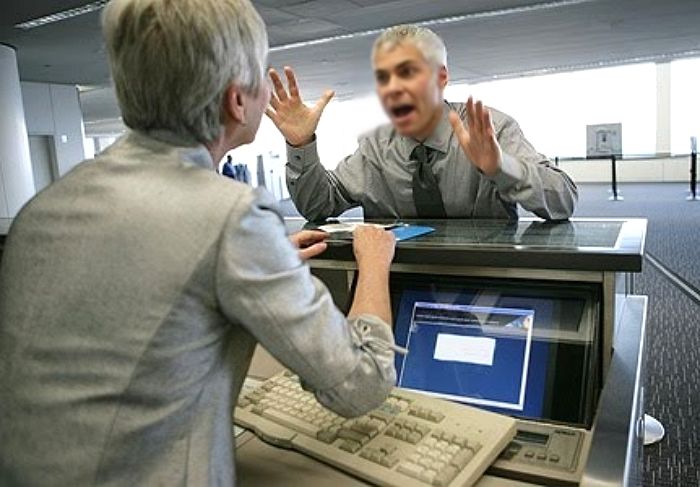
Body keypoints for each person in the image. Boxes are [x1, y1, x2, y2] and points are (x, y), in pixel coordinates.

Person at [0, 0, 398, 485]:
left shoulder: (46, 206)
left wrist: (253, 260)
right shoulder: (232, 217)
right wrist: (374, 262)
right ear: (237, 100)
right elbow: (362, 384)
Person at [266, 24, 578, 221]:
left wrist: (501, 168)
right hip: (400, 293)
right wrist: (300, 145)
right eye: (384, 77)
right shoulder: (375, 147)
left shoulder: (490, 129)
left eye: (407, 73)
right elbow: (319, 206)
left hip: (486, 289)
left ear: (441, 77)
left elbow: (563, 201)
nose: (393, 88)